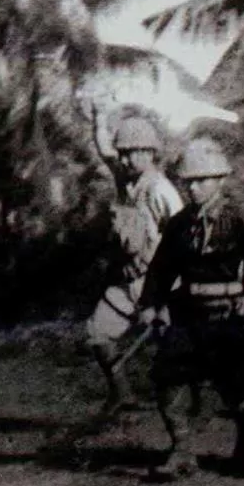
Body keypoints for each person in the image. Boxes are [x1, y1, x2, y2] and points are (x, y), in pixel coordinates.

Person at [136, 138, 244, 479]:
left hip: (228, 315)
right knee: (166, 376)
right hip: (188, 313)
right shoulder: (179, 224)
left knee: (233, 386)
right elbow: (161, 267)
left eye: (201, 180)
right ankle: (181, 451)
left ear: (220, 180)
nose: (193, 188)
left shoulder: (241, 219)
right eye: (188, 181)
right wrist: (151, 303)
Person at [84, 106, 183, 415]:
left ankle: (191, 409)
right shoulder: (126, 181)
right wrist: (98, 120)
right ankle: (122, 394)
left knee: (173, 348)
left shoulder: (161, 190)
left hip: (158, 281)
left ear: (148, 153)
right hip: (128, 278)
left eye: (130, 154)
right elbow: (105, 151)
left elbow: (184, 236)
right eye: (123, 154)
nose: (124, 160)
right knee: (98, 332)